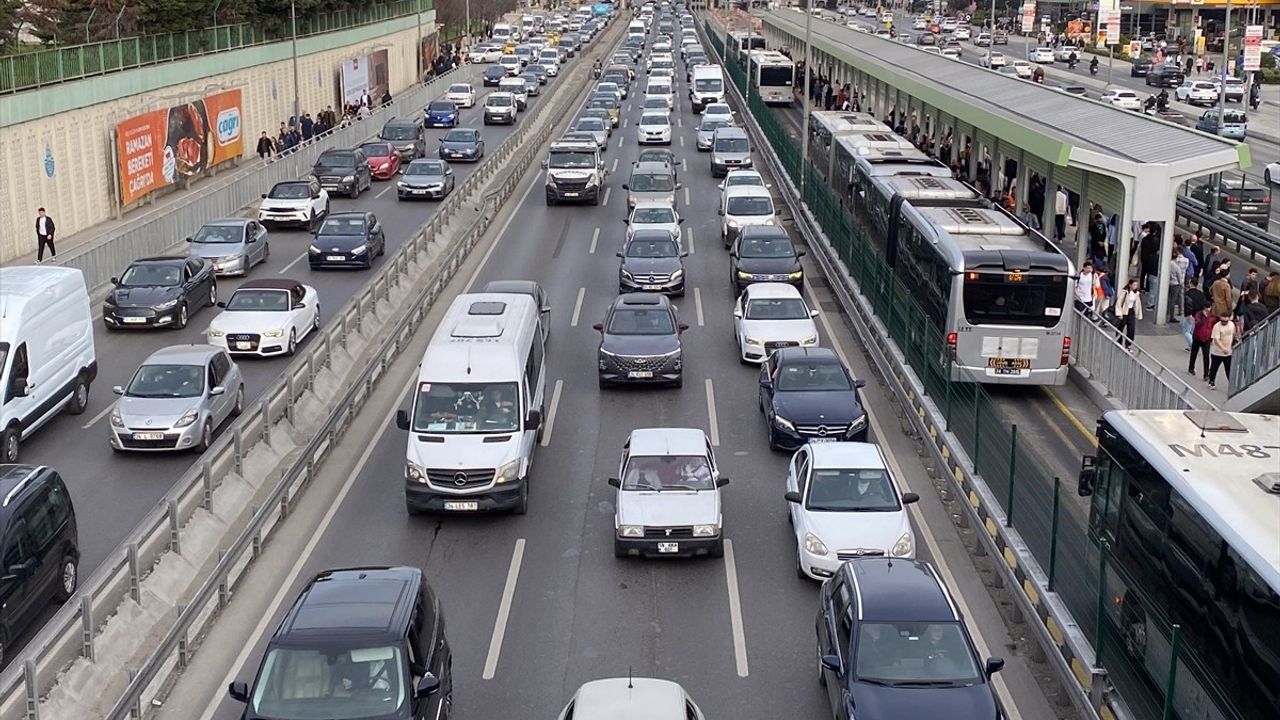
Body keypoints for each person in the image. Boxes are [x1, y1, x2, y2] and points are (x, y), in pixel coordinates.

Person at [1207, 315, 1236, 389]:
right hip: (1217, 352)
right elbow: (1216, 340)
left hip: (1228, 352)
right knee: (1214, 368)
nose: (1224, 322)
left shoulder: (1231, 325)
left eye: (1226, 321)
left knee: (1229, 369)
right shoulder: (1217, 327)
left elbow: (1234, 334)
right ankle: (1211, 381)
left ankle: (1232, 384)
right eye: (1222, 321)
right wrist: (1223, 348)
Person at [1114, 279, 1142, 349]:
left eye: (1136, 285)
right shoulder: (1125, 292)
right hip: (1124, 312)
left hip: (1131, 311)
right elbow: (1119, 303)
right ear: (1130, 285)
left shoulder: (1136, 293)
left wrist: (1138, 313)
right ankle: (1119, 342)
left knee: (1131, 329)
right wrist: (1119, 313)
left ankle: (1128, 344)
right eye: (1134, 284)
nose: (1136, 286)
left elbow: (1138, 304)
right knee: (1120, 328)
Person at [1188, 307, 1215, 379]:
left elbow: (1213, 326)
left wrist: (1212, 337)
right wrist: (1204, 318)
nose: (1208, 310)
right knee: (1194, 353)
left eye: (1209, 308)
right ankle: (1191, 368)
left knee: (1206, 356)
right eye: (1207, 308)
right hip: (1197, 337)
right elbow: (1197, 324)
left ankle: (1206, 374)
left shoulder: (1213, 316)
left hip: (1206, 338)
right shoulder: (1199, 315)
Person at [1182, 278, 1208, 349]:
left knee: (1186, 331)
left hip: (1190, 315)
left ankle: (1193, 345)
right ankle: (1190, 346)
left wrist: (1189, 314)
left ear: (1191, 283)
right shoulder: (1201, 294)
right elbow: (1204, 304)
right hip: (1198, 315)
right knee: (1193, 331)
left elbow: (1187, 305)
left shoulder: (1187, 294)